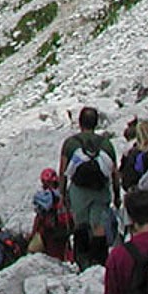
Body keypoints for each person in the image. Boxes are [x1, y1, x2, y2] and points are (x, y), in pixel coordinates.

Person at [60, 106, 119, 268]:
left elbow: (63, 171)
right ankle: (99, 261)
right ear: (96, 123)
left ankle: (82, 261)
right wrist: (117, 194)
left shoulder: (71, 143)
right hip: (100, 189)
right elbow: (114, 172)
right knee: (98, 225)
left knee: (81, 224)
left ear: (80, 123)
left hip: (79, 191)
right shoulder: (105, 144)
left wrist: (62, 194)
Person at [30, 168, 75, 263]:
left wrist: (33, 233)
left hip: (51, 230)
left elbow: (40, 215)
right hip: (64, 227)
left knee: (52, 255)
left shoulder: (46, 196)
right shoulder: (64, 194)